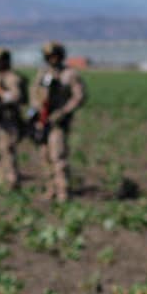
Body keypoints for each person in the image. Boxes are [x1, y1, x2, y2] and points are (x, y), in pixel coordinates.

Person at [31, 41, 87, 202]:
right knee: (44, 156)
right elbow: (35, 93)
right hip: (42, 119)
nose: (51, 59)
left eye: (54, 55)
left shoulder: (70, 74)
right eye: (48, 56)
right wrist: (37, 110)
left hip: (58, 121)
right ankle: (51, 189)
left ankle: (63, 191)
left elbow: (79, 97)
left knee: (58, 156)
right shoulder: (42, 73)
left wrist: (63, 112)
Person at [0, 47, 28, 190]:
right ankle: (1, 181)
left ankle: (12, 182)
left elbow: (18, 97)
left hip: (9, 121)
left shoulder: (12, 78)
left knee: (7, 151)